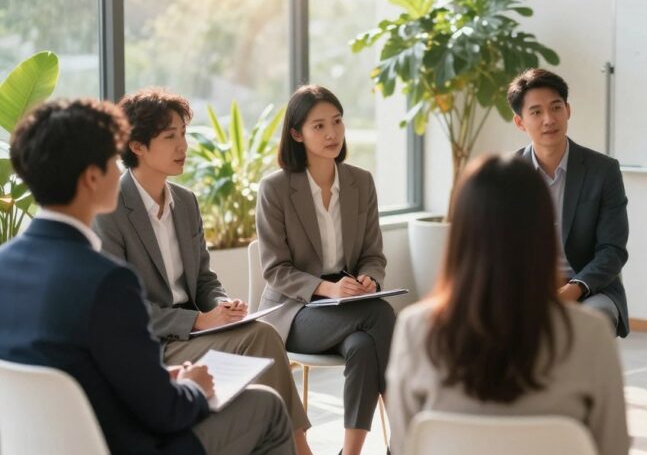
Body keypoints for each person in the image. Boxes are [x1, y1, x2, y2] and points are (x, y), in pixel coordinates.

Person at [0, 98, 293, 455]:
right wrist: (192, 387)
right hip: (130, 444)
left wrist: (166, 381)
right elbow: (167, 413)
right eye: (112, 159)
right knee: (265, 407)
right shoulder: (106, 281)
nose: (120, 167)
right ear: (92, 177)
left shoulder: (5, 263)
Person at [94, 88, 313, 455]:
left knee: (260, 333)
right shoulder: (111, 210)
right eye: (170, 136)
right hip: (156, 345)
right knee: (262, 339)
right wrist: (198, 321)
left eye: (183, 133)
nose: (183, 145)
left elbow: (204, 279)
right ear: (137, 146)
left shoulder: (186, 202)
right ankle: (295, 446)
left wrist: (224, 308)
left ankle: (292, 443)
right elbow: (124, 312)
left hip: (197, 333)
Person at [386, 155, 629, 455]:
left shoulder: (416, 328)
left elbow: (402, 447)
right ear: (543, 234)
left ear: (460, 235)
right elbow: (613, 448)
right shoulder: (590, 334)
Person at [256, 85, 395, 455]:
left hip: (350, 307)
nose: (332, 133)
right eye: (319, 126)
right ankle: (405, 430)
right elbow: (275, 270)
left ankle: (349, 453)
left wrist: (370, 278)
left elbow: (373, 254)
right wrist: (327, 289)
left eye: (336, 122)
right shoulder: (275, 188)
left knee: (364, 346)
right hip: (295, 310)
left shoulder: (360, 181)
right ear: (297, 133)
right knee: (379, 315)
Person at [507, 68, 630, 337]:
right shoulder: (508, 174)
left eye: (556, 107)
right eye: (536, 112)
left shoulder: (603, 170)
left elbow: (613, 249)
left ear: (568, 110)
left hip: (590, 287)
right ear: (520, 122)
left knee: (593, 321)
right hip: (528, 288)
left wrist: (573, 289)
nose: (549, 119)